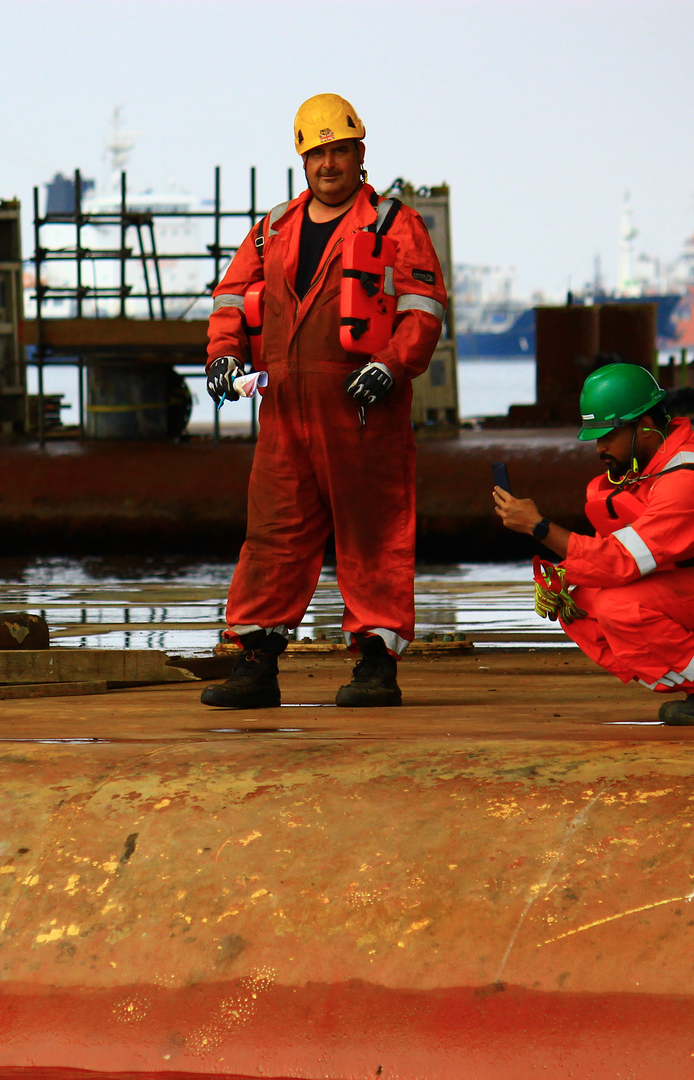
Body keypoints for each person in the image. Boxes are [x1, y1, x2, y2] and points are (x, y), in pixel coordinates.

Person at [199, 93, 448, 709]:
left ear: (360, 154)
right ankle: (255, 663)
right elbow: (230, 300)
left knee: (373, 537)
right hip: (283, 409)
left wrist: (392, 367)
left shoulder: (395, 225)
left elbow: (424, 309)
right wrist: (224, 356)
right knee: (273, 536)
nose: (329, 164)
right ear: (302, 159)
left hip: (362, 408)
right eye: (318, 153)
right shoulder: (271, 231)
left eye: (340, 151)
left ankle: (375, 665)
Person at [492, 363, 694, 725]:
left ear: (646, 427)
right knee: (579, 600)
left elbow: (620, 560)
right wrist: (564, 574)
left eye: (608, 435)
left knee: (621, 608)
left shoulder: (687, 478)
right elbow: (627, 552)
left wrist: (538, 527)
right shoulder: (659, 463)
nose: (599, 447)